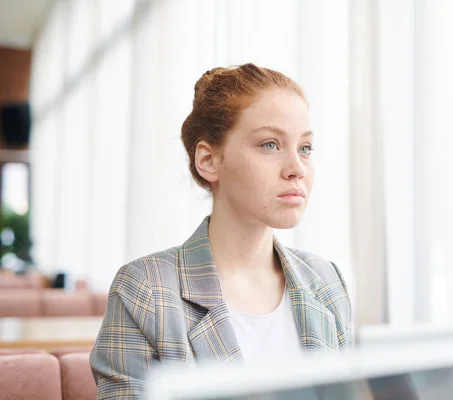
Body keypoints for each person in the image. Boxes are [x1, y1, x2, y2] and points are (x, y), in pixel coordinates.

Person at [90, 63, 353, 398]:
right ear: (209, 161)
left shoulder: (326, 281)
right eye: (270, 144)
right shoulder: (146, 291)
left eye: (305, 148)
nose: (297, 169)